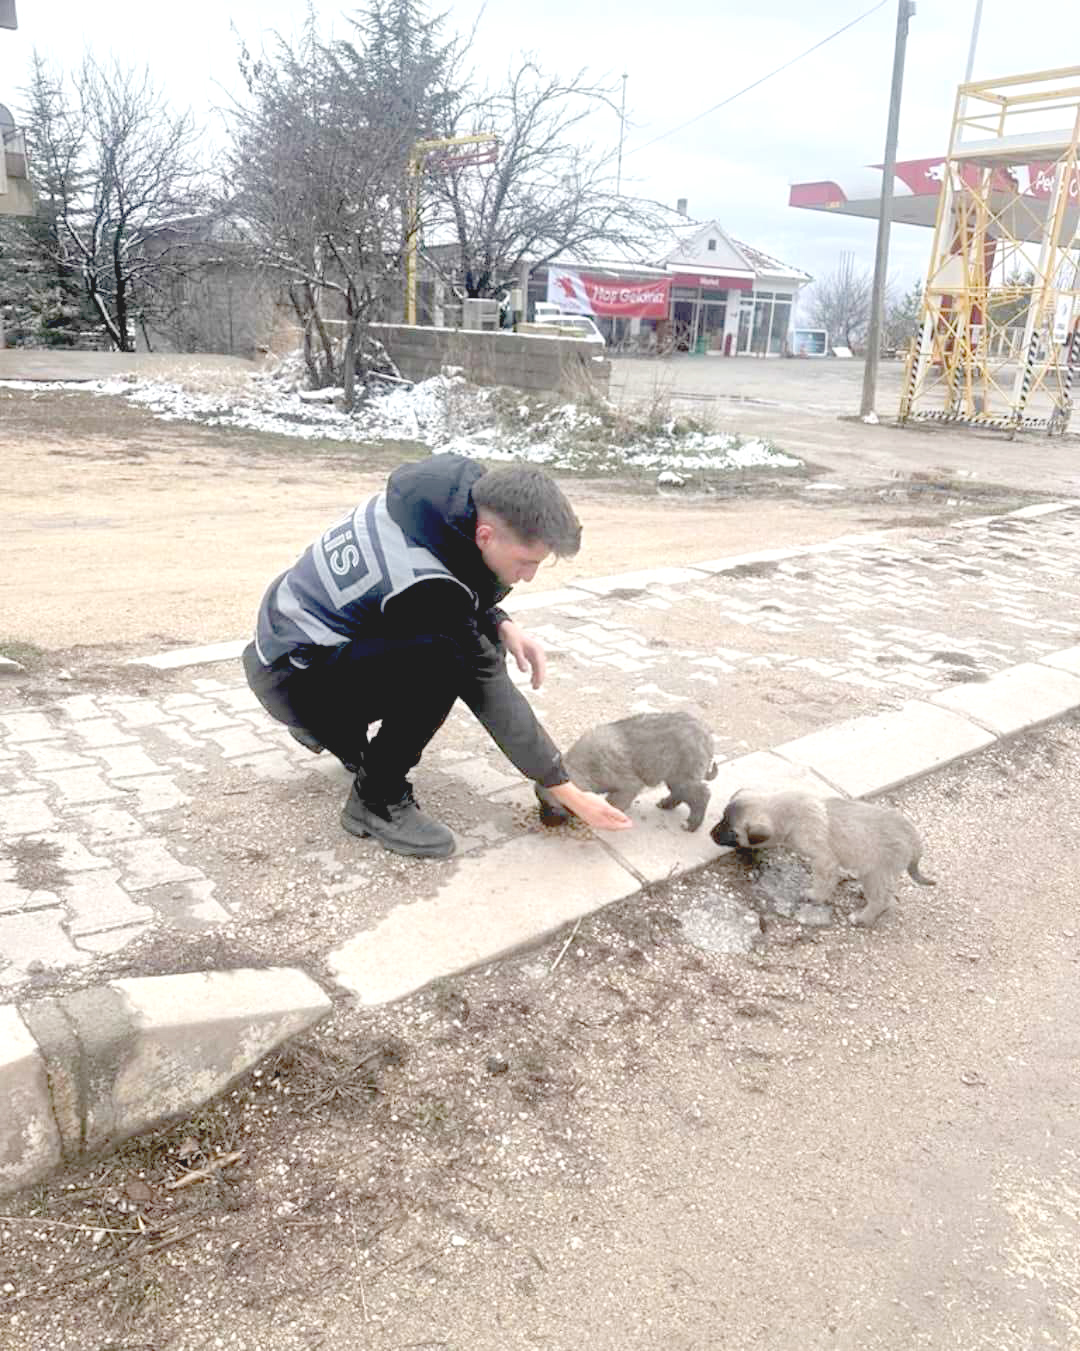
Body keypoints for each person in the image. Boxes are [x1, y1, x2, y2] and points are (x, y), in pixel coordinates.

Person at [242, 453, 633, 859]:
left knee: (462, 636)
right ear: (485, 536)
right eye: (526, 562)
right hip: (294, 678)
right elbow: (487, 686)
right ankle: (374, 800)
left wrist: (501, 621)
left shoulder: (444, 499)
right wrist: (565, 788)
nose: (530, 575)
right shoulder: (428, 585)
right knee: (445, 659)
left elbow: (452, 578)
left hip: (288, 647)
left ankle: (334, 729)